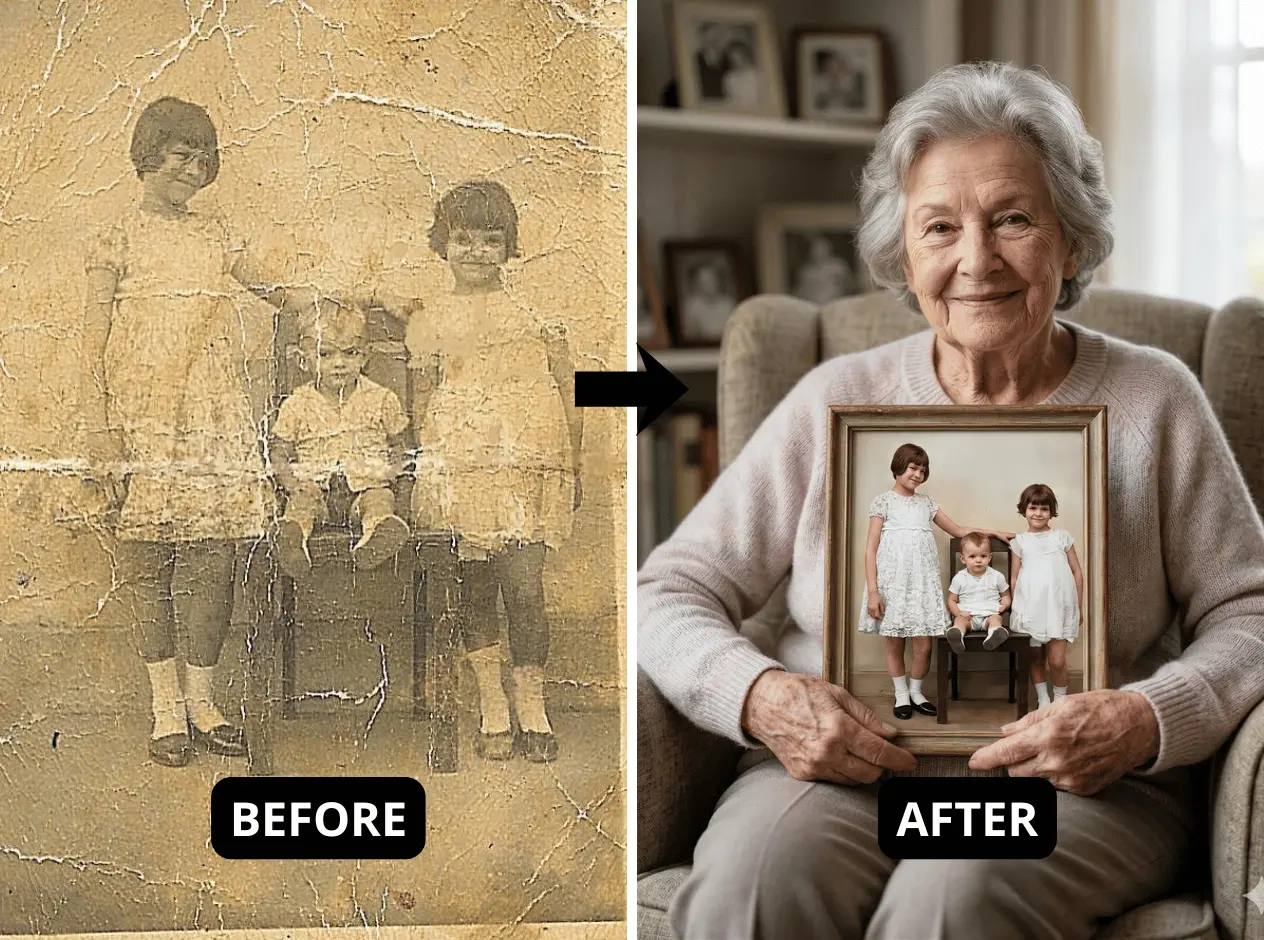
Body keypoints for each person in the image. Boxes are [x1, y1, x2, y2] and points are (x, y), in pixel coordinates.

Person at [638, 61, 1264, 938]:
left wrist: (1144, 717)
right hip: (846, 774)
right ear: (904, 252)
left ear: (1070, 240)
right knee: (750, 886)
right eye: (940, 227)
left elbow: (1252, 611)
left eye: (1013, 219)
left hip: (1080, 783)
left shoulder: (1156, 399)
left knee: (952, 898)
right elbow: (668, 591)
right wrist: (764, 696)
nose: (977, 261)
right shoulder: (833, 397)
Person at [80, 97, 415, 769]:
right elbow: (92, 339)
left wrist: (370, 298)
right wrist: (98, 425)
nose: (192, 171)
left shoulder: (216, 235)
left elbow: (288, 295)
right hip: (140, 413)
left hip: (208, 412)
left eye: (203, 160)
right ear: (149, 155)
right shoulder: (113, 236)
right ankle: (165, 711)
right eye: (180, 156)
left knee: (212, 562)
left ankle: (203, 705)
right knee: (150, 566)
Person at [407, 180, 583, 762]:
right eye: (463, 239)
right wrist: (426, 472)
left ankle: (532, 703)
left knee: (525, 589)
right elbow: (420, 398)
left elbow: (567, 388)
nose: (477, 252)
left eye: (491, 240)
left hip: (529, 465)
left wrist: (572, 463)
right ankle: (492, 703)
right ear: (443, 244)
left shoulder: (537, 313)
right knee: (475, 588)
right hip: (462, 471)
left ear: (509, 247)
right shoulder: (430, 316)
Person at [859, 444, 1011, 719]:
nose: (917, 474)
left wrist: (994, 531)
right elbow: (870, 548)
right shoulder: (883, 502)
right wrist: (873, 591)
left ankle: (916, 692)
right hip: (892, 584)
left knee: (924, 645)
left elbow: (959, 530)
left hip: (922, 584)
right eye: (912, 468)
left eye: (922, 470)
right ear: (898, 467)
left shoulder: (926, 504)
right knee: (894, 642)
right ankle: (901, 695)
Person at [269, 300, 412, 577]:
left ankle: (376, 535)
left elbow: (400, 446)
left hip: (365, 490)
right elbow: (279, 452)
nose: (339, 363)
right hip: (316, 492)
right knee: (301, 505)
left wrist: (392, 476)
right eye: (325, 354)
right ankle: (294, 538)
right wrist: (291, 485)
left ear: (364, 356)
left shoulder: (381, 399)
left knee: (380, 500)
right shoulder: (297, 404)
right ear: (304, 360)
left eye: (350, 353)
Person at [1009, 483, 1083, 708]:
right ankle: (1043, 700)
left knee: (1057, 660)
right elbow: (1014, 577)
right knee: (1035, 657)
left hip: (1059, 607)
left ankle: (1060, 702)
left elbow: (1077, 573)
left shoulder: (1062, 537)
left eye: (1044, 509)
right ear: (1024, 510)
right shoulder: (1020, 541)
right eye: (1033, 508)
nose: (1038, 513)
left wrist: (1078, 606)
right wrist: (1017, 607)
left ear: (1051, 511)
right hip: (1031, 607)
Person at [946, 530, 1012, 653]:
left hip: (989, 615)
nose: (978, 560)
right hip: (968, 616)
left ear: (989, 557)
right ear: (963, 558)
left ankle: (994, 635)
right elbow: (951, 600)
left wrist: (1005, 604)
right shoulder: (960, 578)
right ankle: (957, 635)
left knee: (996, 619)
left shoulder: (997, 576)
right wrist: (958, 613)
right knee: (959, 621)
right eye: (972, 556)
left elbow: (1005, 595)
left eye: (983, 556)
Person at [681, 259, 736, 341]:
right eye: (704, 281)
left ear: (718, 280)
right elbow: (690, 335)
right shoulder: (692, 306)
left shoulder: (728, 303)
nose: (708, 285)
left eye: (711, 280)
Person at [792, 233, 855, 304]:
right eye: (815, 248)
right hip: (812, 306)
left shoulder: (838, 265)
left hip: (834, 305)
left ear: (828, 248)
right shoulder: (806, 271)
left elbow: (850, 285)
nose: (818, 251)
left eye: (821, 248)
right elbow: (799, 292)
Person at [695, 22, 729, 100]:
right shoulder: (696, 58)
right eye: (708, 35)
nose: (712, 40)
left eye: (715, 36)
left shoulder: (726, 57)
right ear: (703, 37)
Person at [721, 40, 760, 108]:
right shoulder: (729, 78)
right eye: (731, 57)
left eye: (737, 56)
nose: (734, 60)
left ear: (745, 55)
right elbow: (729, 99)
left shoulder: (758, 74)